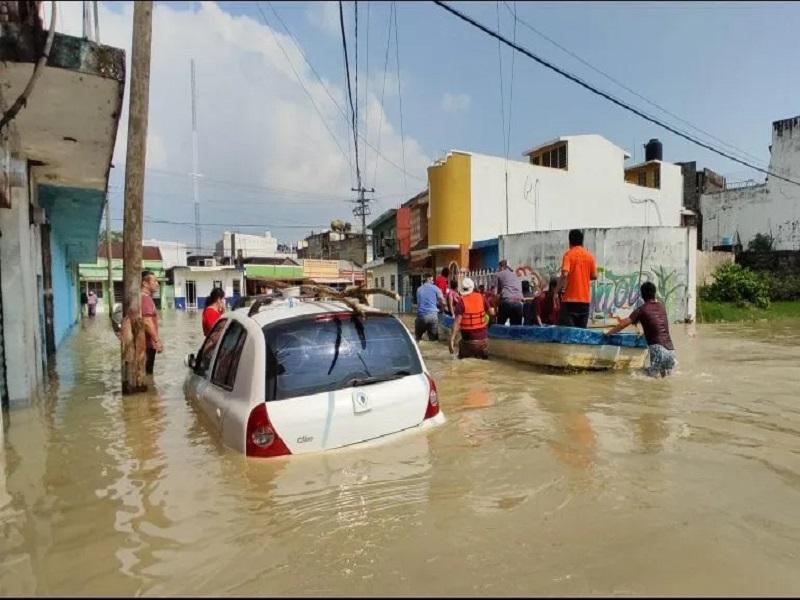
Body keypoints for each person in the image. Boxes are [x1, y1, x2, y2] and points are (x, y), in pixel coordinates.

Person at [605, 281, 676, 377]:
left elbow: (623, 324)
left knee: (645, 377)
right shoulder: (662, 306)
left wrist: (609, 333)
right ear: (654, 293)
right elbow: (656, 325)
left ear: (642, 295)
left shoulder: (641, 310)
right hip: (671, 351)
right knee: (665, 379)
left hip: (658, 349)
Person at [557, 229, 597, 328]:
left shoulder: (568, 254)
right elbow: (594, 276)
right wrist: (582, 276)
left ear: (570, 241)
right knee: (581, 335)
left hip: (570, 301)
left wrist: (555, 291)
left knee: (568, 334)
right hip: (585, 302)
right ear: (582, 241)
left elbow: (565, 274)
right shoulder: (589, 256)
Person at [449, 277, 491, 360]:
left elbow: (457, 323)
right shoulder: (482, 297)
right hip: (484, 342)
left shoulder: (461, 301)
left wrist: (451, 339)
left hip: (468, 343)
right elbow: (491, 312)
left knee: (461, 364)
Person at [141, 271, 163, 375]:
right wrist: (157, 341)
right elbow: (147, 322)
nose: (157, 284)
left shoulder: (145, 298)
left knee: (147, 376)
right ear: (145, 283)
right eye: (154, 281)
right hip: (147, 345)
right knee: (147, 375)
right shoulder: (145, 299)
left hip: (145, 345)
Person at [415, 273, 445, 341]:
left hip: (421, 316)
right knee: (434, 340)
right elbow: (442, 301)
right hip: (432, 316)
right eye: (432, 280)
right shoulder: (436, 288)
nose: (433, 281)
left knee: (417, 339)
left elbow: (419, 303)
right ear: (428, 279)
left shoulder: (419, 289)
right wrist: (442, 309)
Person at [494, 259, 524, 326]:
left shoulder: (498, 274)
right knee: (516, 329)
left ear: (501, 267)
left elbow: (495, 294)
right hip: (519, 303)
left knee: (500, 327)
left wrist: (495, 310)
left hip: (507, 302)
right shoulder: (516, 275)